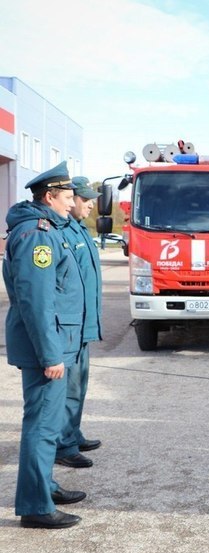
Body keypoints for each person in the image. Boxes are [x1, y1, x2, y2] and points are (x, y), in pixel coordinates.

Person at [3, 162, 86, 529]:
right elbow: (36, 300)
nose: (72, 204)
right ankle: (35, 507)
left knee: (49, 425)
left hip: (56, 342)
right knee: (40, 425)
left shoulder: (48, 228)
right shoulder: (38, 234)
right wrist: (51, 354)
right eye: (68, 197)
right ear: (49, 196)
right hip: (46, 349)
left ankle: (45, 486)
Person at [55, 176, 103, 469]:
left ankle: (72, 432)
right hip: (70, 326)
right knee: (69, 388)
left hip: (82, 324)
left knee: (80, 385)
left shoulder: (81, 229)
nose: (87, 204)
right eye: (84, 199)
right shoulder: (63, 231)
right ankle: (64, 445)